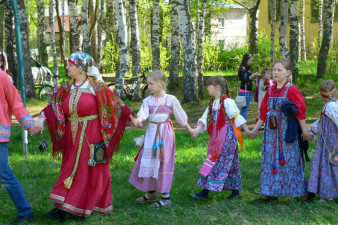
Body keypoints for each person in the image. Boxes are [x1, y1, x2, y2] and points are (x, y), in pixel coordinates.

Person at [33, 52, 138, 221]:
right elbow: (53, 106)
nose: (67, 67)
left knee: (88, 169)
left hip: (91, 134)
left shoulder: (96, 87)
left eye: (70, 65)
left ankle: (76, 206)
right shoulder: (66, 88)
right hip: (71, 135)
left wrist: (133, 118)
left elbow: (116, 104)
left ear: (80, 68)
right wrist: (40, 120)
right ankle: (67, 205)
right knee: (70, 167)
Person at [250, 59, 313, 201]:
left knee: (290, 160)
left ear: (288, 72)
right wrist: (254, 130)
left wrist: (305, 131)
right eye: (274, 70)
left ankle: (301, 192)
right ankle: (271, 192)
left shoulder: (291, 89)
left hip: (286, 133)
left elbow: (300, 112)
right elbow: (263, 111)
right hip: (271, 134)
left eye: (280, 70)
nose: (276, 72)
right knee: (270, 159)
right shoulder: (271, 89)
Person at [129, 70, 193, 207]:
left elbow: (181, 117)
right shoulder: (148, 100)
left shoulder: (170, 99)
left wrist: (191, 130)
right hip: (152, 133)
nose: (149, 86)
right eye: (148, 84)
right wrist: (139, 120)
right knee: (149, 160)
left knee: (163, 161)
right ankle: (151, 193)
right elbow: (143, 113)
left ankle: (166, 198)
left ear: (161, 84)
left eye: (152, 84)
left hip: (164, 135)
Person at [189, 76, 250, 200]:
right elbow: (205, 118)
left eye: (209, 86)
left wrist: (248, 130)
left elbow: (236, 115)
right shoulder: (212, 103)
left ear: (217, 87)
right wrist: (196, 130)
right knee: (226, 162)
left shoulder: (227, 101)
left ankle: (205, 192)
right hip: (217, 136)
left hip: (226, 137)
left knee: (216, 161)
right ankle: (235, 192)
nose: (207, 88)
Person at [0, 70, 39, 224]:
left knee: (3, 174)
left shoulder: (2, 77)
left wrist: (30, 124)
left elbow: (16, 102)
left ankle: (26, 212)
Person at [307, 80, 337, 202]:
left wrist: (310, 132)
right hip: (330, 142)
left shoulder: (330, 106)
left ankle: (327, 196)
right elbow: (321, 123)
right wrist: (311, 131)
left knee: (328, 168)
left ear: (321, 94)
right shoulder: (333, 105)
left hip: (330, 144)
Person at [237, 54, 260, 119]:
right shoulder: (243, 69)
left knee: (245, 108)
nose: (251, 62)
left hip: (247, 90)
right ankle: (242, 124)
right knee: (244, 108)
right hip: (245, 90)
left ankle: (242, 123)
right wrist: (252, 76)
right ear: (246, 60)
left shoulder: (246, 68)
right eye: (250, 60)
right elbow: (244, 79)